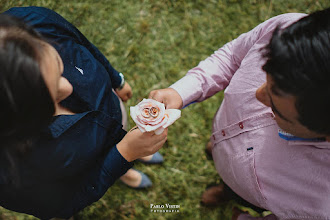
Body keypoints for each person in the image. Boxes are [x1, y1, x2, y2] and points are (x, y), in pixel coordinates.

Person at [149, 8, 330, 220]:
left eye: (277, 108)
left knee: (236, 192)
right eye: (266, 75)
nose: (257, 94)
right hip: (223, 133)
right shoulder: (286, 31)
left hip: (246, 191)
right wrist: (180, 91)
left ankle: (227, 192)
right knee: (218, 152)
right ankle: (218, 159)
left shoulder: (321, 202)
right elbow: (232, 56)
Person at [0, 6, 167, 219]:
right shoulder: (11, 177)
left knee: (125, 132)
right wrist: (124, 154)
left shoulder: (32, 22)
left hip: (114, 110)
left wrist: (116, 79)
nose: (68, 88)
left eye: (59, 67)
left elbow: (82, 42)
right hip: (89, 161)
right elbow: (62, 206)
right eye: (51, 96)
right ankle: (124, 173)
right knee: (116, 157)